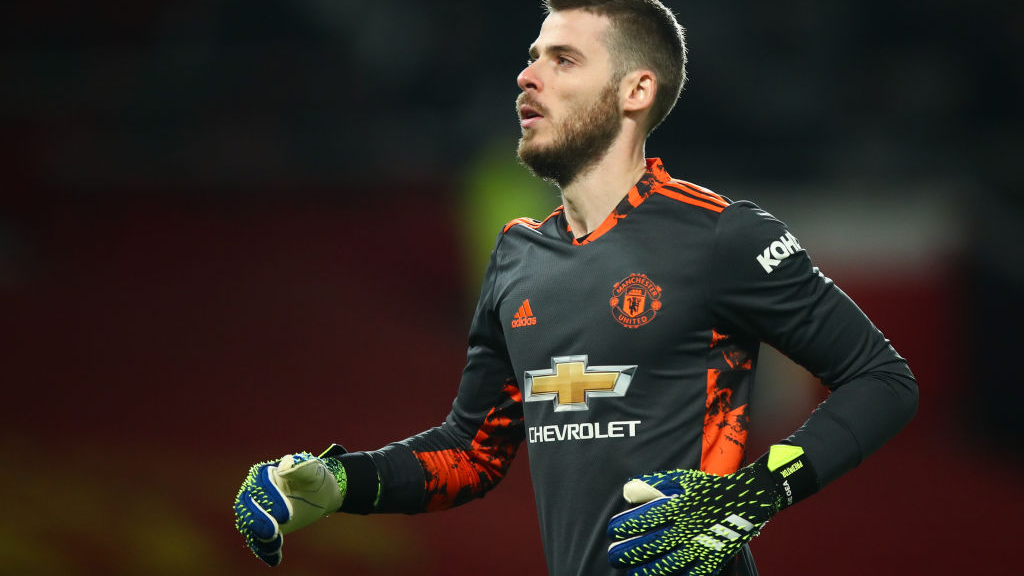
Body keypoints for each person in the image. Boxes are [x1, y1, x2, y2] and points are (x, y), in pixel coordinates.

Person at [233, 1, 918, 574]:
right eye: (533, 56)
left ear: (635, 91)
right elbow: (471, 453)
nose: (528, 75)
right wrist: (340, 483)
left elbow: (882, 378)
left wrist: (750, 495)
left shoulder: (721, 236)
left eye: (563, 60)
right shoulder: (517, 258)